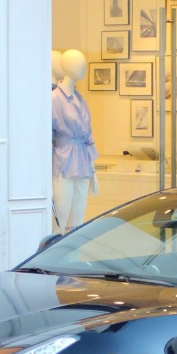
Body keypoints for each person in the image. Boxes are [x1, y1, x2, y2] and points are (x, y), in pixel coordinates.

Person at [51, 49, 98, 233]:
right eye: (79, 64)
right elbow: (46, 136)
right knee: (60, 221)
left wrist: (93, 169)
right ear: (66, 67)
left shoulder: (80, 100)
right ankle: (54, 255)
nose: (83, 68)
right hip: (63, 162)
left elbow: (88, 136)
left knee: (77, 221)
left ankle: (73, 257)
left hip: (82, 161)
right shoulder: (54, 99)